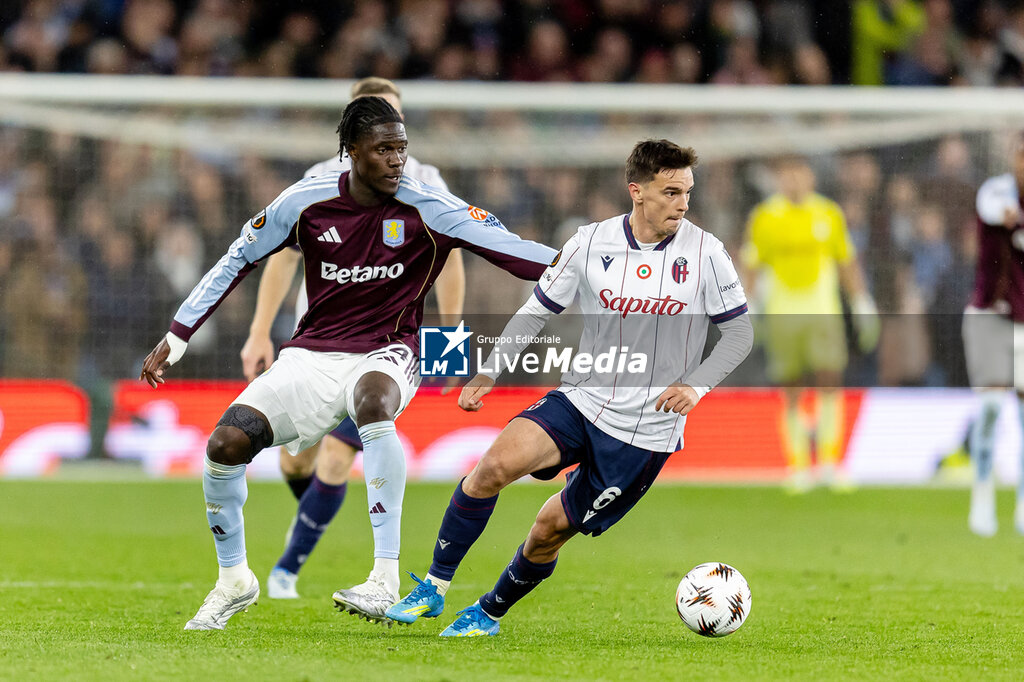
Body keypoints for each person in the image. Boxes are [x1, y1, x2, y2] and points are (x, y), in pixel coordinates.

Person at [140, 95, 556, 630]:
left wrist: (601, 266)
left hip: (392, 349)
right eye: (384, 149)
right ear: (351, 151)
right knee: (225, 445)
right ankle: (233, 581)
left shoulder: (429, 206)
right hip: (311, 354)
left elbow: (518, 254)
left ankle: (384, 579)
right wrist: (177, 336)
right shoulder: (304, 202)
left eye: (401, 149)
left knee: (373, 401)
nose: (396, 160)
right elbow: (237, 258)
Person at [384, 139, 754, 637]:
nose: (683, 204)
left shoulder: (706, 253)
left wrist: (696, 386)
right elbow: (539, 309)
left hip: (644, 432)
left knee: (546, 532)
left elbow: (740, 332)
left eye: (687, 191)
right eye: (670, 192)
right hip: (581, 398)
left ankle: (488, 612)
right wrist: (490, 371)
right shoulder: (589, 242)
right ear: (637, 191)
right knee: (491, 468)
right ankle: (433, 587)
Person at [237, 77, 465, 602]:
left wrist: (451, 333)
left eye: (398, 119)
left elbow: (452, 258)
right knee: (298, 463)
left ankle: (288, 570)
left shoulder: (427, 184)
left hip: (383, 348)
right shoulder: (316, 182)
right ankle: (318, 518)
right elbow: (283, 259)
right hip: (315, 347)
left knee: (339, 459)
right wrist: (258, 331)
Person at [742, 156, 878, 493]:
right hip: (782, 313)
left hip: (822, 311)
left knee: (830, 379)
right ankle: (799, 465)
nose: (794, 181)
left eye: (799, 174)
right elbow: (752, 265)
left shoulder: (828, 213)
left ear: (810, 177)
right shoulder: (765, 217)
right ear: (779, 179)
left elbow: (845, 260)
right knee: (791, 387)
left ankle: (830, 463)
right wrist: (748, 306)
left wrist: (861, 301)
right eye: (786, 174)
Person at [963, 132, 1024, 537]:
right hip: (989, 314)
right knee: (989, 409)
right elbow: (996, 212)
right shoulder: (996, 190)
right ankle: (982, 495)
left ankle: (1022, 503)